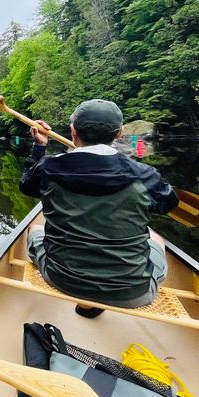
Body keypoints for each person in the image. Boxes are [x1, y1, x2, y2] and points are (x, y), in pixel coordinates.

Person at [19, 99, 179, 317]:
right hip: (134, 291)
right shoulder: (145, 174)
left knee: (35, 229)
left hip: (61, 278)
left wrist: (40, 146)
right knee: (156, 238)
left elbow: (27, 186)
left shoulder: (49, 167)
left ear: (73, 131)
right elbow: (167, 204)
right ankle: (93, 303)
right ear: (119, 133)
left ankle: (87, 302)